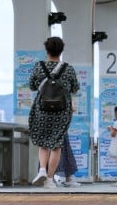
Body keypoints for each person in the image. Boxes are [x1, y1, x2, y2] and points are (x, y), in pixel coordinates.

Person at [28, 36, 80, 189]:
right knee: (57, 145)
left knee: (43, 143)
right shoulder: (68, 69)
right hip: (62, 112)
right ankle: (49, 180)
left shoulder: (39, 67)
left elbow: (32, 86)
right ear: (61, 51)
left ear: (47, 50)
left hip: (42, 110)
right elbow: (75, 88)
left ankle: (42, 170)